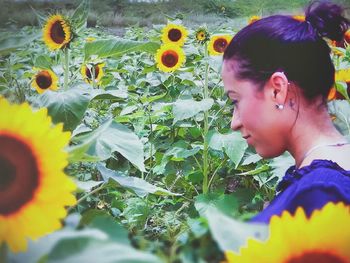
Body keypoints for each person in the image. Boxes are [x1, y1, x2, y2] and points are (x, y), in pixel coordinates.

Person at [221, 1, 350, 223]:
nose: (235, 122)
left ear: (277, 89)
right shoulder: (327, 179)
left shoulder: (319, 196)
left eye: (236, 100)